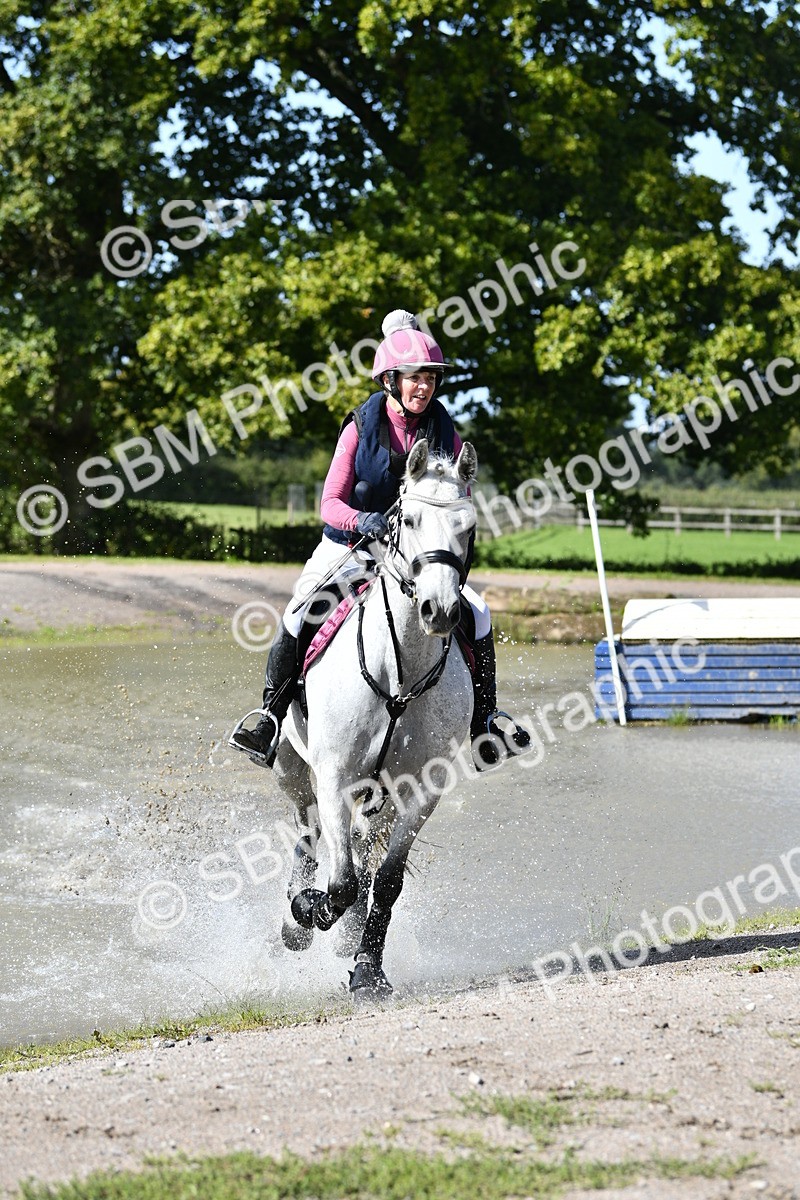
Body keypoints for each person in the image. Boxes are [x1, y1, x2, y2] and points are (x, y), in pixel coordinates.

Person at [229, 309, 530, 770]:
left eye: (430, 378)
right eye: (414, 378)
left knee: (479, 613)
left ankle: (485, 721)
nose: (424, 387)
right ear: (391, 380)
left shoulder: (446, 432)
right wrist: (361, 520)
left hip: (416, 552)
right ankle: (268, 715)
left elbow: (456, 497)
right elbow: (329, 503)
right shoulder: (360, 428)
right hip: (352, 545)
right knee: (299, 610)